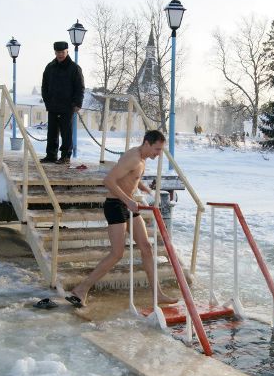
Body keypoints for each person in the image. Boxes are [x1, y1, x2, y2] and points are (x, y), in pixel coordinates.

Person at [38, 130, 179, 309]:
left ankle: (157, 294)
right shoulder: (133, 158)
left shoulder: (140, 158)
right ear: (146, 143)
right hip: (115, 205)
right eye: (157, 150)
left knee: (146, 247)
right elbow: (109, 180)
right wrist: (128, 200)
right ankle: (81, 289)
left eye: (160, 150)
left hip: (126, 204)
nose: (158, 154)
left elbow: (129, 177)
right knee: (117, 253)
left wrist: (143, 188)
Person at [39, 41, 85, 165]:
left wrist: (77, 103)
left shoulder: (74, 68)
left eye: (62, 52)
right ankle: (51, 155)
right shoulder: (50, 67)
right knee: (52, 132)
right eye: (58, 52)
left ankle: (65, 156)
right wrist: (47, 101)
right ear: (55, 52)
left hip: (67, 106)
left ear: (67, 51)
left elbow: (80, 87)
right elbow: (44, 86)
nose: (60, 55)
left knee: (66, 132)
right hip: (53, 105)